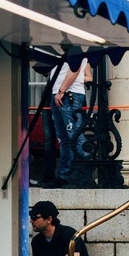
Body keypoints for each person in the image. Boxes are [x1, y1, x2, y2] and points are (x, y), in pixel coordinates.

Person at [49, 55, 91, 187]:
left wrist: (62, 91)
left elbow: (75, 69)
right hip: (61, 93)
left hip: (69, 93)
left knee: (74, 135)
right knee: (64, 137)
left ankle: (81, 173)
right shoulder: (62, 49)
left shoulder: (75, 48)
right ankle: (65, 174)